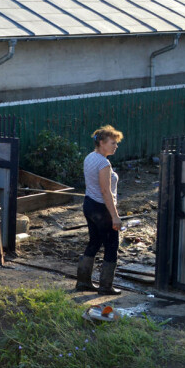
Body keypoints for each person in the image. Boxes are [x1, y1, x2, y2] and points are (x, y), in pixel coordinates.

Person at [76, 125, 124, 295]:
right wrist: (115, 217)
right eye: (113, 142)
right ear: (102, 143)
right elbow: (106, 191)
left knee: (95, 242)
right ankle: (105, 286)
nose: (115, 146)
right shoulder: (104, 163)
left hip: (89, 204)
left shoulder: (90, 157)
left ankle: (83, 282)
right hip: (101, 208)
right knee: (111, 245)